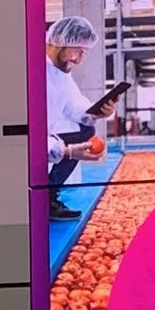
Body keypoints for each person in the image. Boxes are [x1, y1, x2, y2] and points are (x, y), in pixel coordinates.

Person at [44, 12, 114, 218]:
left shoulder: (60, 73)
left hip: (44, 136)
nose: (80, 59)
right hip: (19, 149)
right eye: (78, 50)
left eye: (85, 52)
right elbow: (27, 133)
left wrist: (98, 112)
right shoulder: (34, 72)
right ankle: (40, 200)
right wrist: (66, 151)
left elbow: (76, 107)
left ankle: (47, 195)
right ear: (58, 40)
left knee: (86, 128)